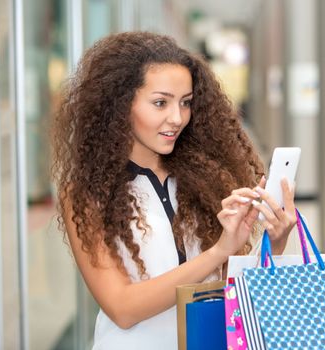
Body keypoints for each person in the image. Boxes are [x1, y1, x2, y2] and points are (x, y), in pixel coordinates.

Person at [51, 31, 297, 349]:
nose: (177, 118)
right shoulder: (85, 194)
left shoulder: (203, 177)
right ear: (119, 105)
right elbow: (122, 308)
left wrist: (273, 244)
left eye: (185, 103)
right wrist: (219, 251)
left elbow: (230, 287)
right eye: (160, 103)